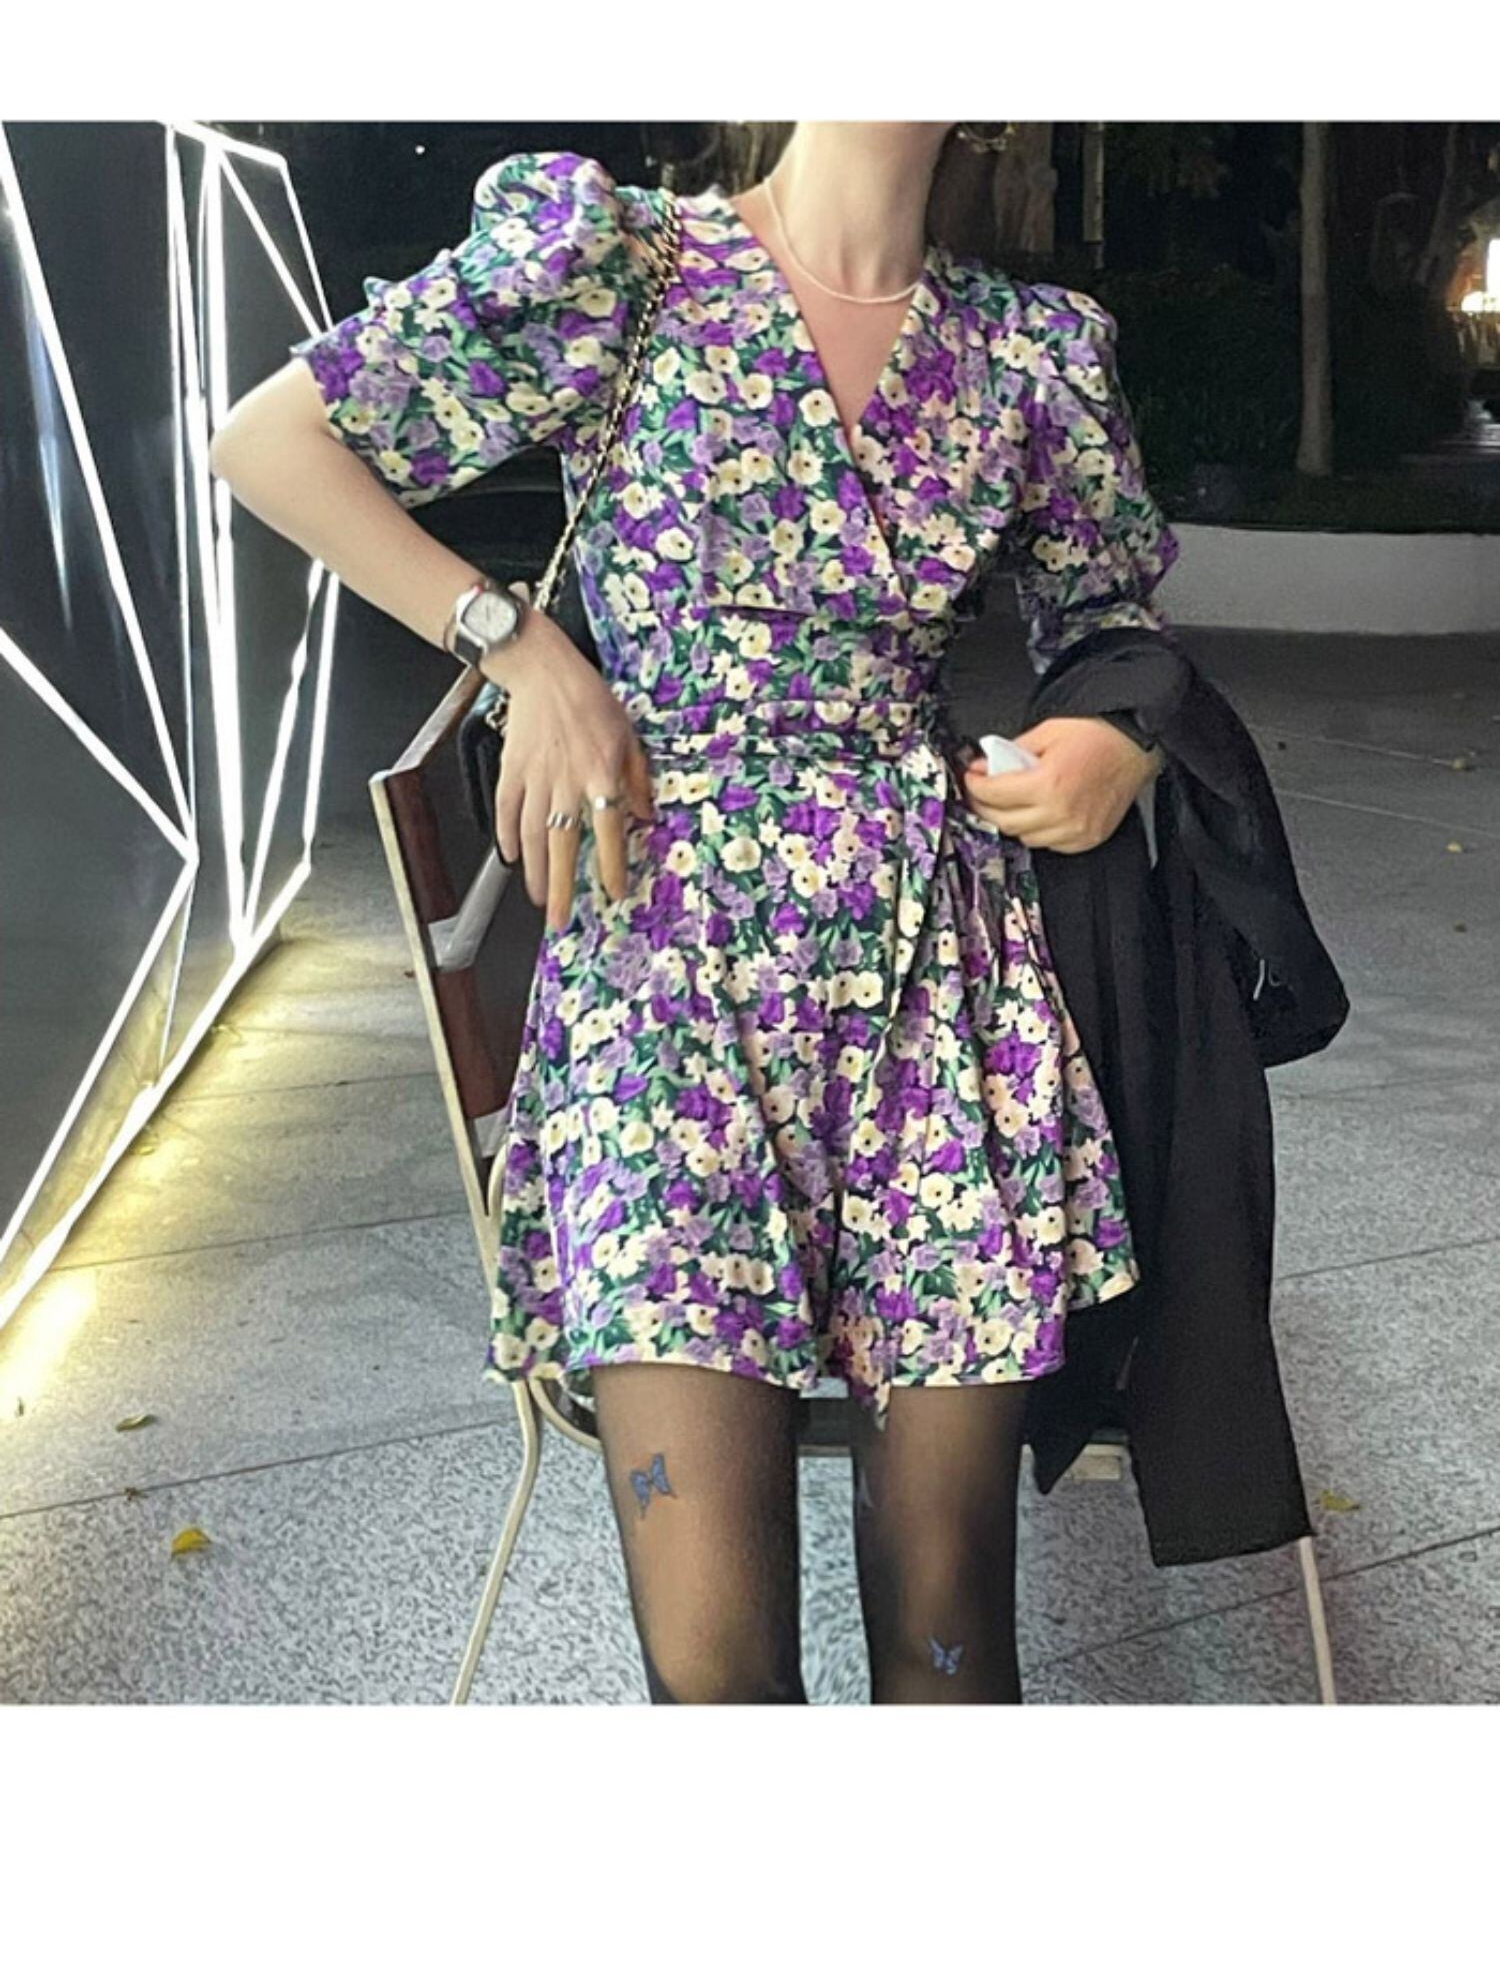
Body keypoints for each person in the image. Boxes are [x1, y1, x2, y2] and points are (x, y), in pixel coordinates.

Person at [209, 121, 1180, 1704]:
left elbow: (1113, 617)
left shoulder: (1031, 349)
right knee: (715, 1674)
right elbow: (269, 440)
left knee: (951, 1637)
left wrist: (1114, 740)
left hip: (936, 1004)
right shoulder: (621, 266)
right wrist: (520, 643)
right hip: (667, 1002)